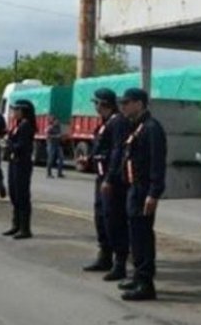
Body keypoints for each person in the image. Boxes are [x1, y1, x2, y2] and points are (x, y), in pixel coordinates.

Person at [117, 88, 167, 301]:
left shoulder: (151, 128)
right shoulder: (136, 127)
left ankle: (146, 283)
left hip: (143, 189)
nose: (123, 106)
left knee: (143, 237)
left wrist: (154, 193)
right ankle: (139, 276)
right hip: (133, 188)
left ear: (139, 103)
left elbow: (157, 163)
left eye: (127, 102)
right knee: (136, 237)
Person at [82, 88, 131, 281]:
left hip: (113, 181)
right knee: (101, 218)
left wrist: (110, 178)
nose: (95, 107)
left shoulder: (118, 122)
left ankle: (119, 263)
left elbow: (118, 152)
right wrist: (91, 158)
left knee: (114, 220)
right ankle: (105, 256)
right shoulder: (105, 123)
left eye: (97, 103)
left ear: (104, 104)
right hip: (101, 177)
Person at [3, 99, 36, 240]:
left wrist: (7, 145)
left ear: (24, 111)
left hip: (22, 163)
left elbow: (22, 145)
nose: (14, 112)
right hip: (14, 161)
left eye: (17, 110)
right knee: (14, 194)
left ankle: (25, 228)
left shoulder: (26, 126)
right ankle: (15, 225)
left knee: (22, 195)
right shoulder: (18, 125)